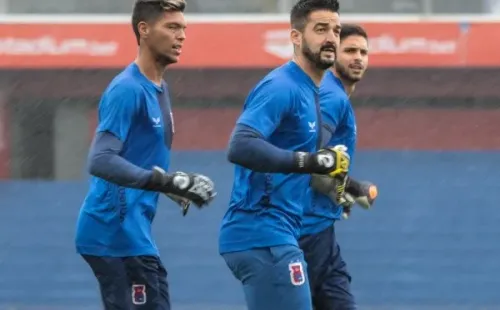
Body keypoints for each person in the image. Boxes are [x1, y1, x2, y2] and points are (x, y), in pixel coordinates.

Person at [74, 1, 216, 309]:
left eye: (184, 29)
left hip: (131, 235)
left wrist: (170, 186)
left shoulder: (160, 88)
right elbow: (100, 159)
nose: (181, 36)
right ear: (144, 30)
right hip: (113, 233)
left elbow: (137, 156)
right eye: (172, 27)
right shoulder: (126, 89)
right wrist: (164, 181)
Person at [218, 1, 350, 309]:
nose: (331, 37)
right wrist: (311, 161)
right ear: (295, 36)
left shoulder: (311, 91)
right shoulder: (282, 86)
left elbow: (291, 164)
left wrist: (343, 185)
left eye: (336, 30)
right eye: (320, 29)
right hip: (262, 232)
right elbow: (240, 145)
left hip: (278, 234)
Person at [299, 23, 376, 310]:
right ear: (333, 56)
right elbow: (309, 156)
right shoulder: (332, 96)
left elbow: (322, 164)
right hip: (305, 233)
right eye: (350, 50)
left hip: (321, 232)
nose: (358, 58)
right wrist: (351, 186)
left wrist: (341, 189)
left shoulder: (332, 94)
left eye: (364, 52)